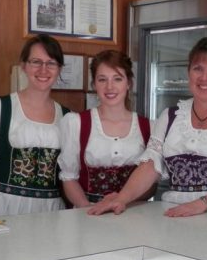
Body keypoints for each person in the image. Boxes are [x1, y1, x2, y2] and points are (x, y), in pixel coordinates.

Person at [88, 37, 207, 218]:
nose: (204, 77)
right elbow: (150, 166)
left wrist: (200, 204)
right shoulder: (170, 116)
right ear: (188, 72)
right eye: (197, 68)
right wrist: (122, 198)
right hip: (175, 214)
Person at [0, 34, 70, 218]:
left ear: (59, 69)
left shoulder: (68, 118)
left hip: (51, 211)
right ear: (23, 65)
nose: (43, 69)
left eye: (51, 63)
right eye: (36, 62)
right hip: (3, 206)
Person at [57, 50, 153, 207]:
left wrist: (124, 202)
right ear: (94, 84)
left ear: (128, 83)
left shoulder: (148, 127)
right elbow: (69, 178)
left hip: (132, 216)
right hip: (87, 214)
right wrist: (87, 210)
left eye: (117, 79)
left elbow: (151, 184)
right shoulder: (76, 123)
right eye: (102, 80)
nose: (110, 87)